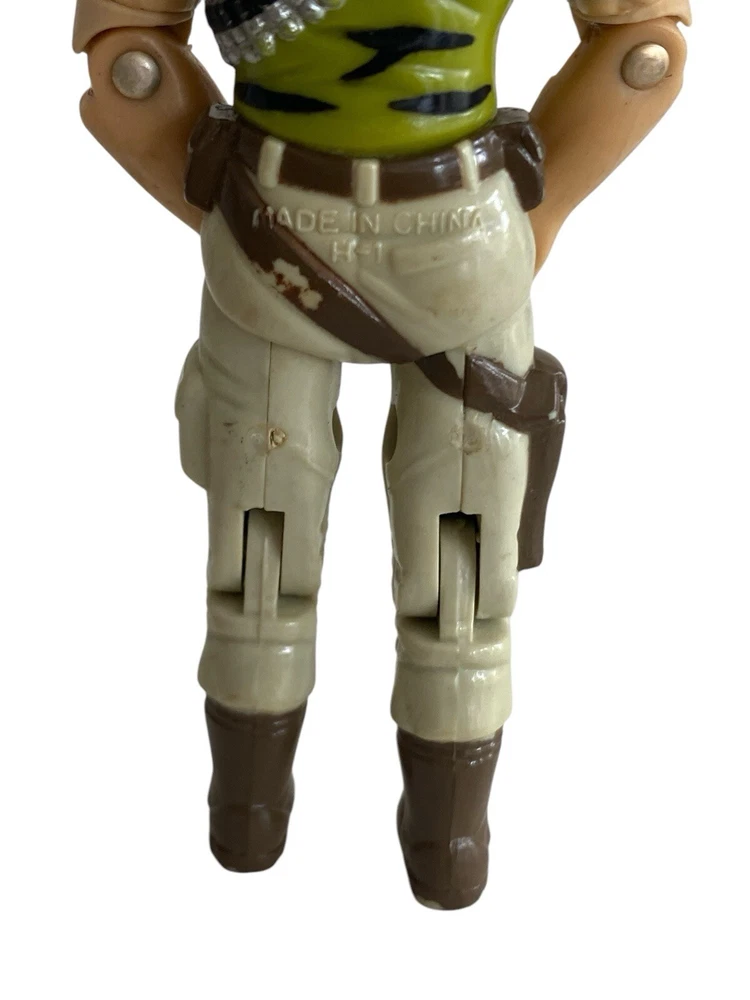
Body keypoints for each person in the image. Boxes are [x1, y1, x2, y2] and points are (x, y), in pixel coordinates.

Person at [73, 0, 691, 910]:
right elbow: (644, 51)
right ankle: (339, 826)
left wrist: (233, 217)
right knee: (307, 552)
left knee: (394, 559)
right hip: (411, 228)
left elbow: (644, 48)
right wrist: (532, 217)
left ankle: (349, 826)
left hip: (339, 227)